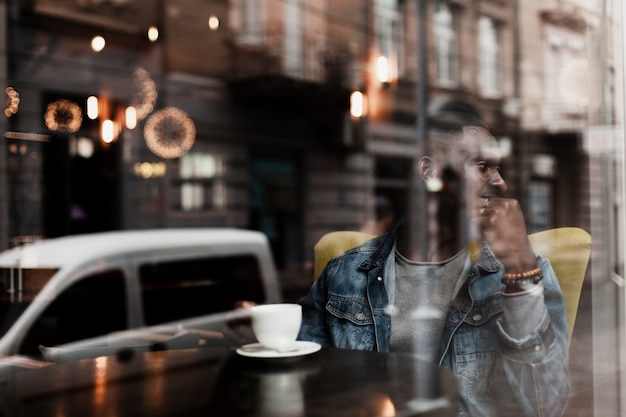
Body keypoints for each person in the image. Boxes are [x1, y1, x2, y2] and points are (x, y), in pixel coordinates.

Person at [297, 110, 571, 417]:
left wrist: (520, 273)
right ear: (430, 171)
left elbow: (546, 408)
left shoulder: (527, 270)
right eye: (482, 166)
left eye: (499, 168)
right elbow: (301, 381)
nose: (501, 182)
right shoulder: (344, 273)